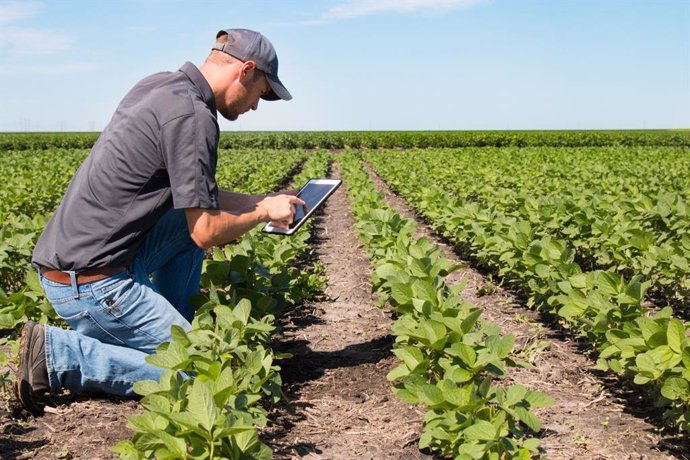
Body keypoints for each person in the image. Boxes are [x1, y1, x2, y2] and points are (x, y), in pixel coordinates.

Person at [15, 28, 304, 415]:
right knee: (204, 376)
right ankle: (60, 354)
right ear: (246, 71)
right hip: (90, 284)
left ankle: (167, 331)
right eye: (262, 93)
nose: (256, 106)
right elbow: (205, 231)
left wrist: (260, 200)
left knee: (180, 226)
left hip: (78, 262)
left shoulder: (160, 87)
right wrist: (264, 213)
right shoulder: (194, 117)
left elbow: (199, 203)